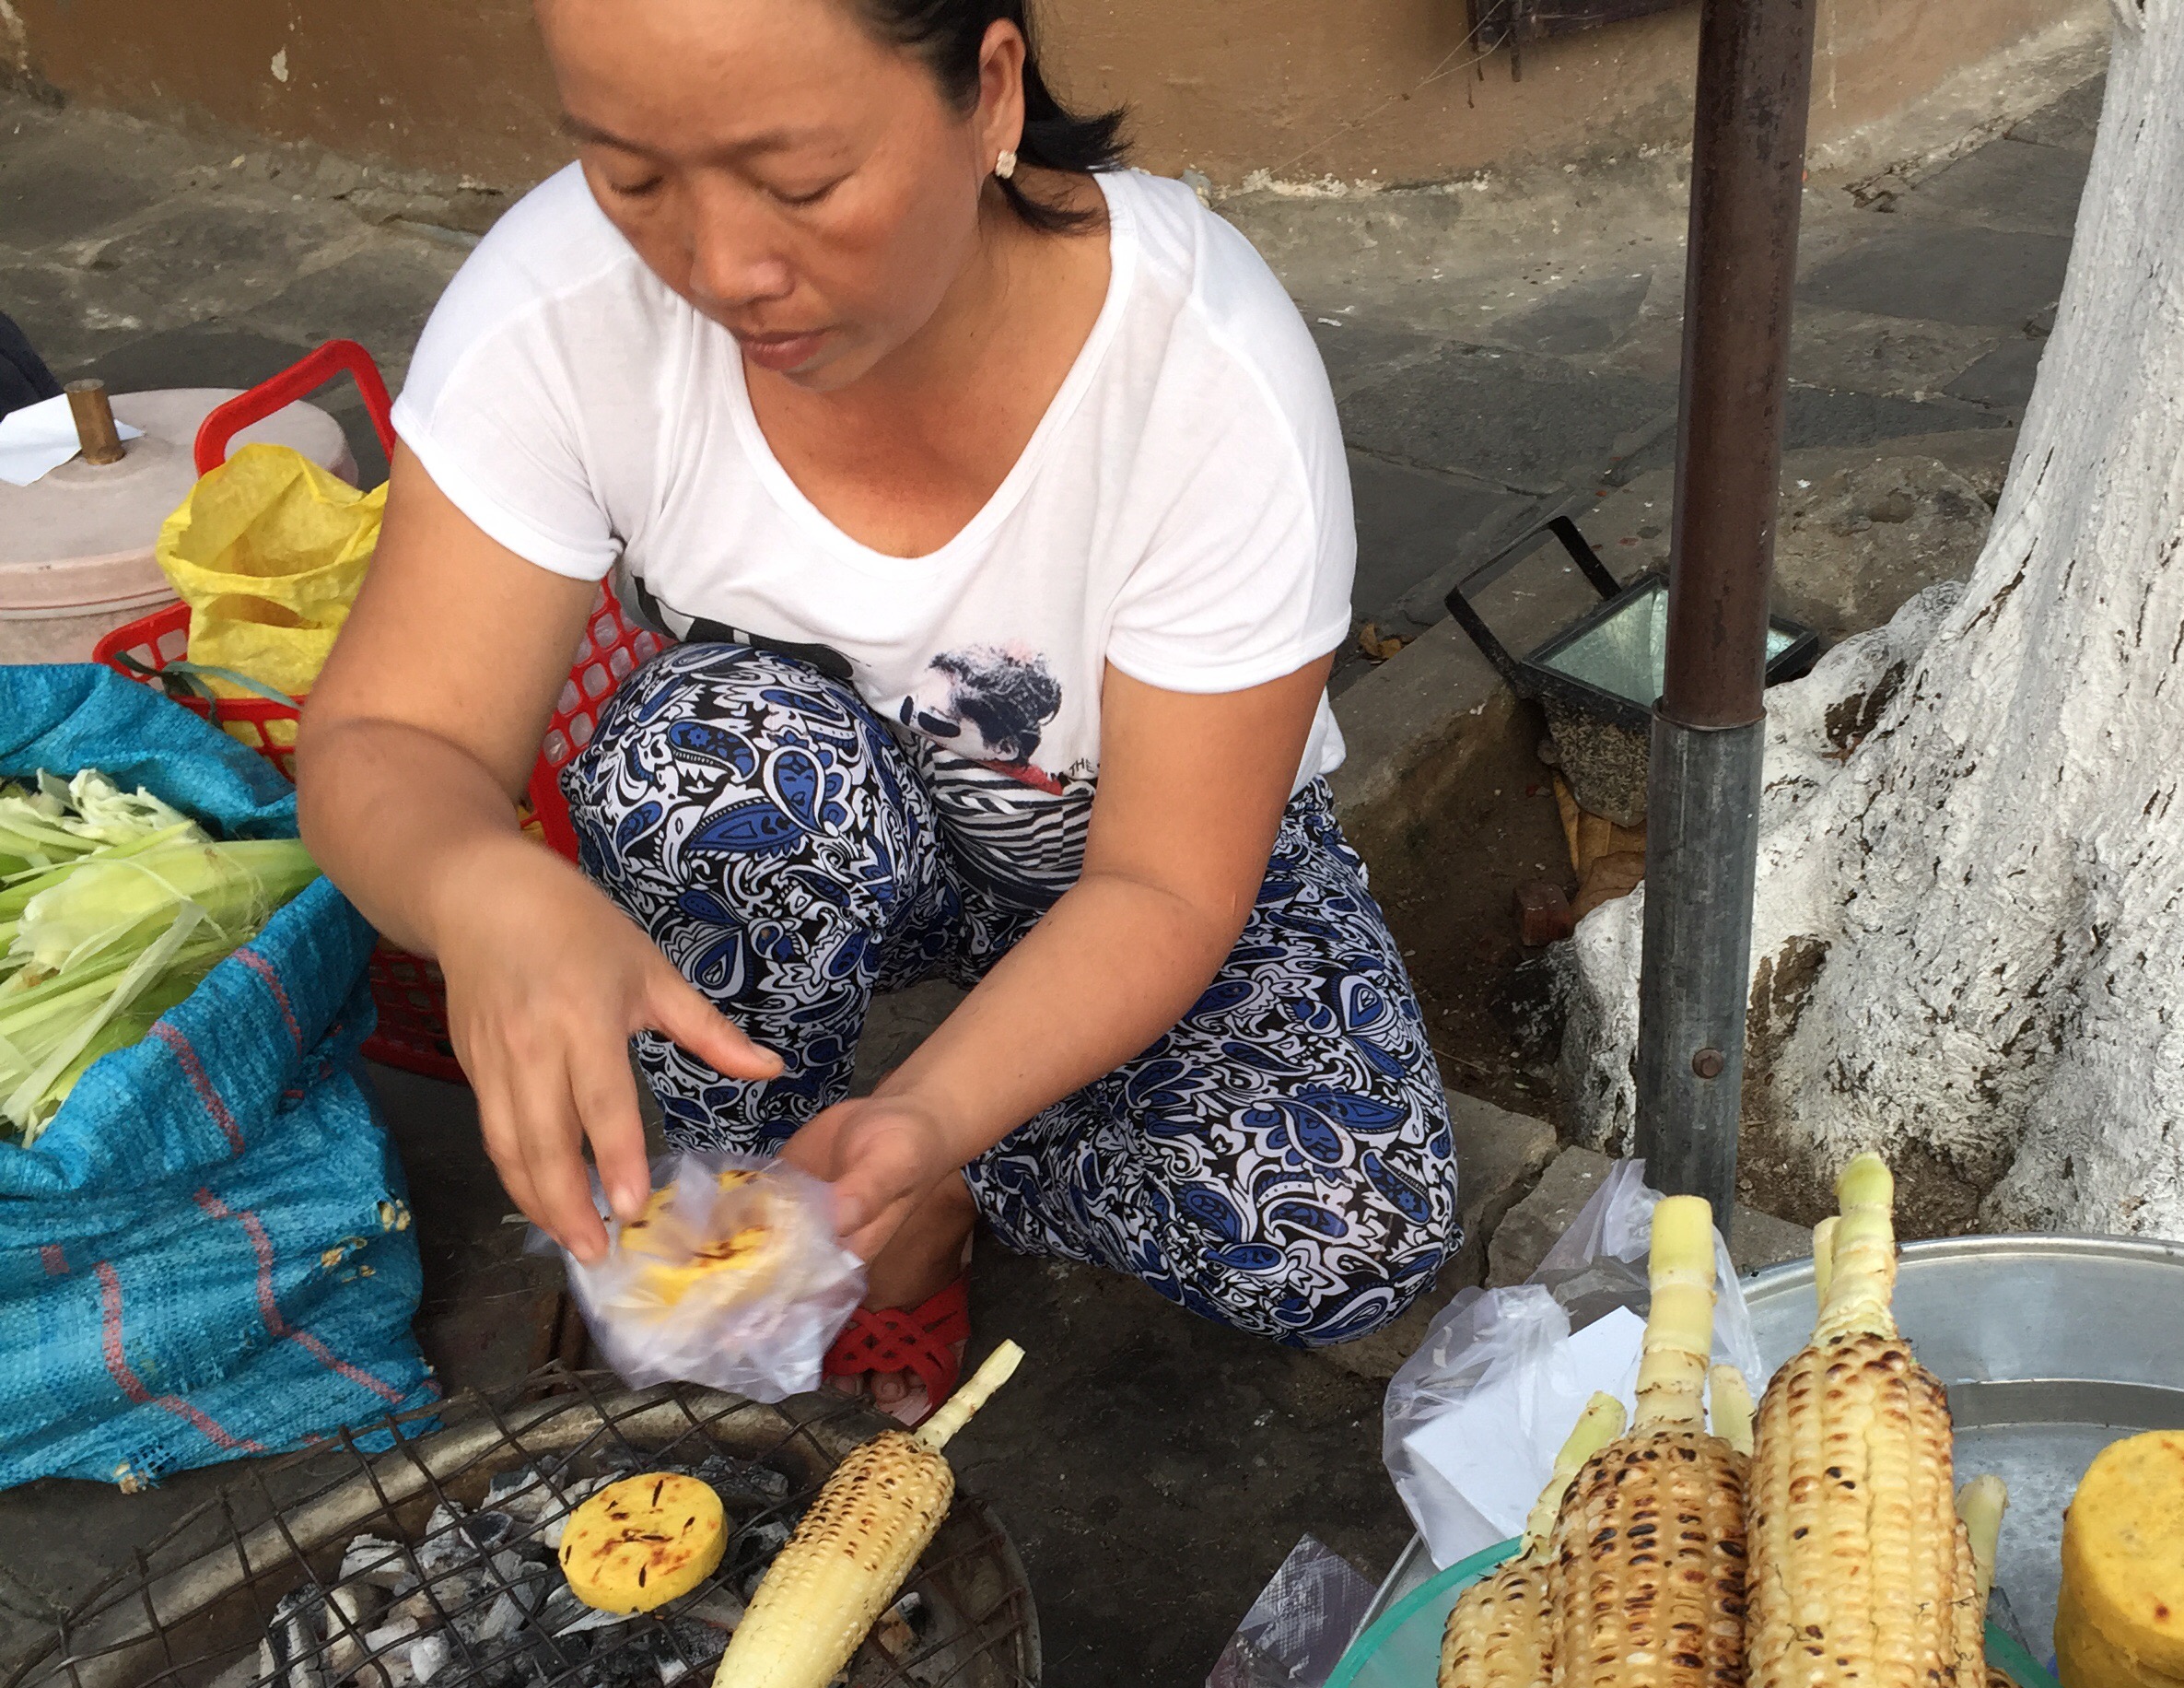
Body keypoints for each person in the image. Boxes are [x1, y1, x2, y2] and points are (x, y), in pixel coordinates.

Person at [300, 0, 1460, 1420]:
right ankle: (763, 1194)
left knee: (1342, 1233)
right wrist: (473, 885)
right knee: (701, 769)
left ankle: (918, 1188)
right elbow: (387, 738)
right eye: (632, 175)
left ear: (991, 92)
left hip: (1129, 863)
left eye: (799, 184)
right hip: (831, 836)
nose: (722, 269)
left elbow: (1164, 884)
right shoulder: (558, 311)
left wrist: (933, 1120)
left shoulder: (1200, 371)